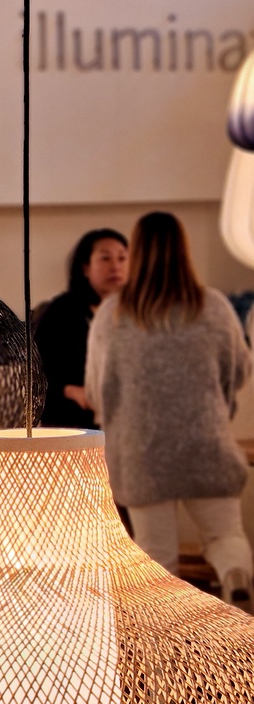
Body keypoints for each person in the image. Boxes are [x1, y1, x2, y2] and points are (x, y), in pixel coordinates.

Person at [86, 211, 253, 609]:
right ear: (184, 250)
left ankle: (168, 632)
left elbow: (98, 389)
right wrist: (216, 405)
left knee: (156, 555)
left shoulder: (113, 313)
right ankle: (234, 572)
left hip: (142, 453)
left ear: (137, 253)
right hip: (206, 442)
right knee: (224, 535)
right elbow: (239, 369)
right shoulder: (213, 306)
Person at [33, 229, 129, 427]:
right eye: (105, 258)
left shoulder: (136, 311)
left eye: (122, 258)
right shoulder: (61, 311)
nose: (116, 266)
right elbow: (37, 369)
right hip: (73, 419)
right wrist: (70, 390)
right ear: (85, 268)